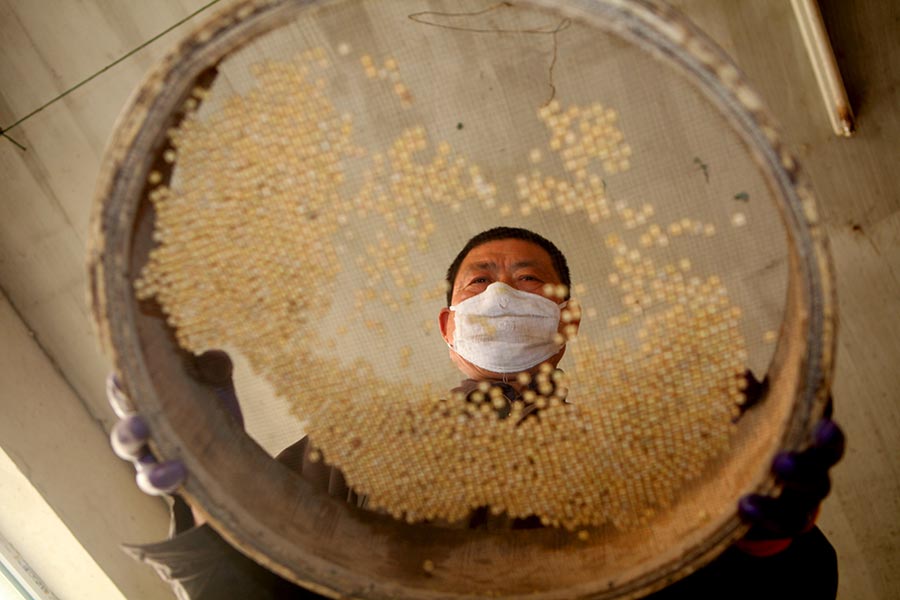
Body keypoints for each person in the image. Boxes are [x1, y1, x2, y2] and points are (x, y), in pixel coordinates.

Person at [110, 227, 844, 599]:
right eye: (480, 281)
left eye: (529, 281)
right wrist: (205, 471)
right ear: (448, 323)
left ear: (567, 322)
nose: (501, 293)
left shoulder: (648, 461)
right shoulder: (349, 450)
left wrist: (771, 534)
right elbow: (254, 589)